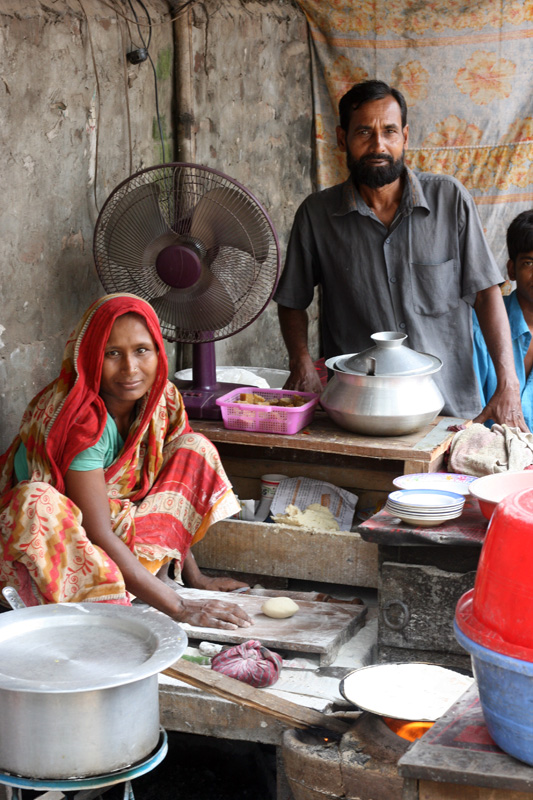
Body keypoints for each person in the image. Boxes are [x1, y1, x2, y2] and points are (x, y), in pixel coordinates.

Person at [274, 79, 526, 430]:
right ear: (342, 138)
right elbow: (291, 299)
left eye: (389, 131)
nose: (379, 145)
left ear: (405, 137)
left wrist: (508, 384)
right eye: (364, 132)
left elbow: (487, 295)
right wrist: (300, 362)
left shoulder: (449, 201)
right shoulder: (317, 215)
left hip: (450, 411)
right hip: (358, 412)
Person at [0, 293, 252, 630]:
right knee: (36, 502)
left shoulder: (160, 399)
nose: (130, 369)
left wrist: (197, 580)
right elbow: (98, 532)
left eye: (142, 350)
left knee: (195, 448)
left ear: (158, 352)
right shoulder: (81, 420)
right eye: (112, 354)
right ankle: (103, 599)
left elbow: (168, 492)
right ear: (91, 357)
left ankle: (141, 584)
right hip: (63, 549)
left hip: (116, 534)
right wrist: (179, 609)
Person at [473, 210, 533, 430]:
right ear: (512, 270)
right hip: (486, 454)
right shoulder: (480, 327)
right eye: (529, 263)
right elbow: (469, 414)